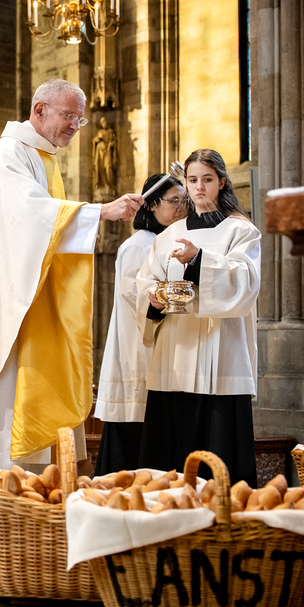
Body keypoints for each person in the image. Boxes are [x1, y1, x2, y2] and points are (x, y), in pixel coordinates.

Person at [0, 78, 143, 472]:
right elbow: (29, 217)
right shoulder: (7, 154)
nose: (75, 125)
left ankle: (36, 496)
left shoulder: (42, 158)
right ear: (40, 110)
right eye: (69, 115)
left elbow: (44, 226)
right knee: (0, 412)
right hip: (3, 311)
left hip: (31, 303)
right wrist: (102, 211)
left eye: (80, 119)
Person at [136, 149, 261, 487]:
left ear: (222, 182)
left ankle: (221, 511)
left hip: (220, 358)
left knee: (218, 458)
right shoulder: (168, 235)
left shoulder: (241, 230)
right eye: (192, 180)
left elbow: (246, 282)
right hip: (174, 355)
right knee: (170, 460)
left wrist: (198, 259)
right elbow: (145, 284)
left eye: (207, 179)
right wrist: (153, 299)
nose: (199, 187)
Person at [93, 174, 187, 475]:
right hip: (137, 354)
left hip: (158, 353)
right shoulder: (139, 246)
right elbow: (138, 299)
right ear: (153, 204)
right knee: (129, 457)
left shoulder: (164, 243)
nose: (182, 207)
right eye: (174, 200)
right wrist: (177, 299)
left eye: (184, 201)